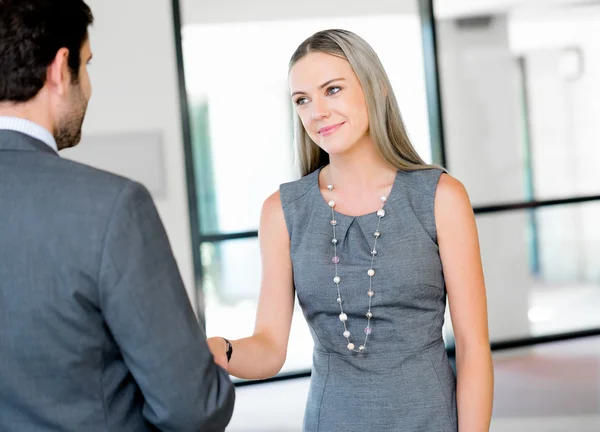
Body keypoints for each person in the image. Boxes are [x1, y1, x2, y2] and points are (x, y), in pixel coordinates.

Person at [208, 29, 494, 431]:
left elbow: (473, 346)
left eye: (333, 90)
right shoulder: (282, 211)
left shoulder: (441, 197)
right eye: (302, 100)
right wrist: (220, 350)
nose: (317, 111)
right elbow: (270, 348)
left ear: (375, 89)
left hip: (429, 420)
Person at [0, 0, 234, 430]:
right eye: (86, 65)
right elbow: (192, 409)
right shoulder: (112, 206)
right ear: (59, 68)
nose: (87, 87)